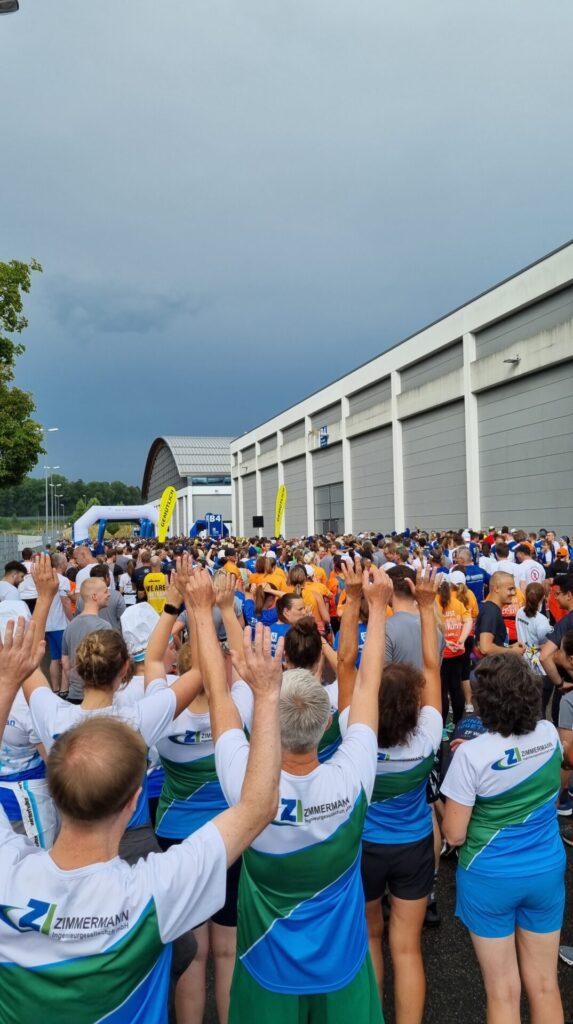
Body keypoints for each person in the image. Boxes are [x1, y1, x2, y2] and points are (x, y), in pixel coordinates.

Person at [0, 603, 284, 1022]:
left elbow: (35, 679)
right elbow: (259, 805)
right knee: (182, 947)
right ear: (134, 800)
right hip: (143, 852)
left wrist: (10, 678)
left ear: (55, 789)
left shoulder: (8, 873)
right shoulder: (154, 890)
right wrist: (265, 693)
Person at [204, 563, 389, 1023]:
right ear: (327, 723)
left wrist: (212, 608)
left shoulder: (247, 790)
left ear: (267, 721)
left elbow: (218, 696)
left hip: (266, 965)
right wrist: (375, 607)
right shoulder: (353, 775)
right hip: (343, 963)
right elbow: (367, 682)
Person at [338, 567, 441, 1024]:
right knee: (407, 948)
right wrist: (425, 606)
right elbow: (434, 666)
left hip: (365, 847)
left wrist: (359, 600)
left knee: (371, 938)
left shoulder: (354, 734)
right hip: (415, 845)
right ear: (415, 706)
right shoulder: (429, 735)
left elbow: (345, 665)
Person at [441, 655, 565, 1024]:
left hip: (489, 876)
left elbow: (454, 833)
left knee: (502, 991)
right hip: (546, 870)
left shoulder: (471, 756)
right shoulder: (549, 734)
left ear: (484, 701)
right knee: (545, 985)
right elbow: (551, 796)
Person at [61, 577, 113, 702]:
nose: (109, 594)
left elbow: (65, 662)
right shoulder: (104, 626)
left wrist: (76, 682)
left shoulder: (70, 626)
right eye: (105, 591)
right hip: (96, 697)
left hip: (74, 695)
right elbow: (109, 664)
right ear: (94, 596)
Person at [435, 575, 472, 726]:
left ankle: (442, 726)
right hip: (457, 652)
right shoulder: (457, 603)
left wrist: (446, 642)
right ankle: (457, 723)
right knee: (456, 687)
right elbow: (468, 620)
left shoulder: (433, 604)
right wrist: (461, 641)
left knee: (441, 690)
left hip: (440, 653)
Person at [475, 572, 525, 658]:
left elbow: (493, 644)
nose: (514, 593)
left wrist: (509, 647)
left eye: (514, 589)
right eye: (510, 589)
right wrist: (511, 651)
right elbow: (485, 648)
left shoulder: (492, 609)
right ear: (496, 588)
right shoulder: (490, 611)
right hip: (491, 669)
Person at [75, 564, 126, 632]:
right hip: (112, 638)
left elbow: (78, 620)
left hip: (89, 637)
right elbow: (124, 620)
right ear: (106, 577)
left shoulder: (82, 598)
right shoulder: (116, 596)